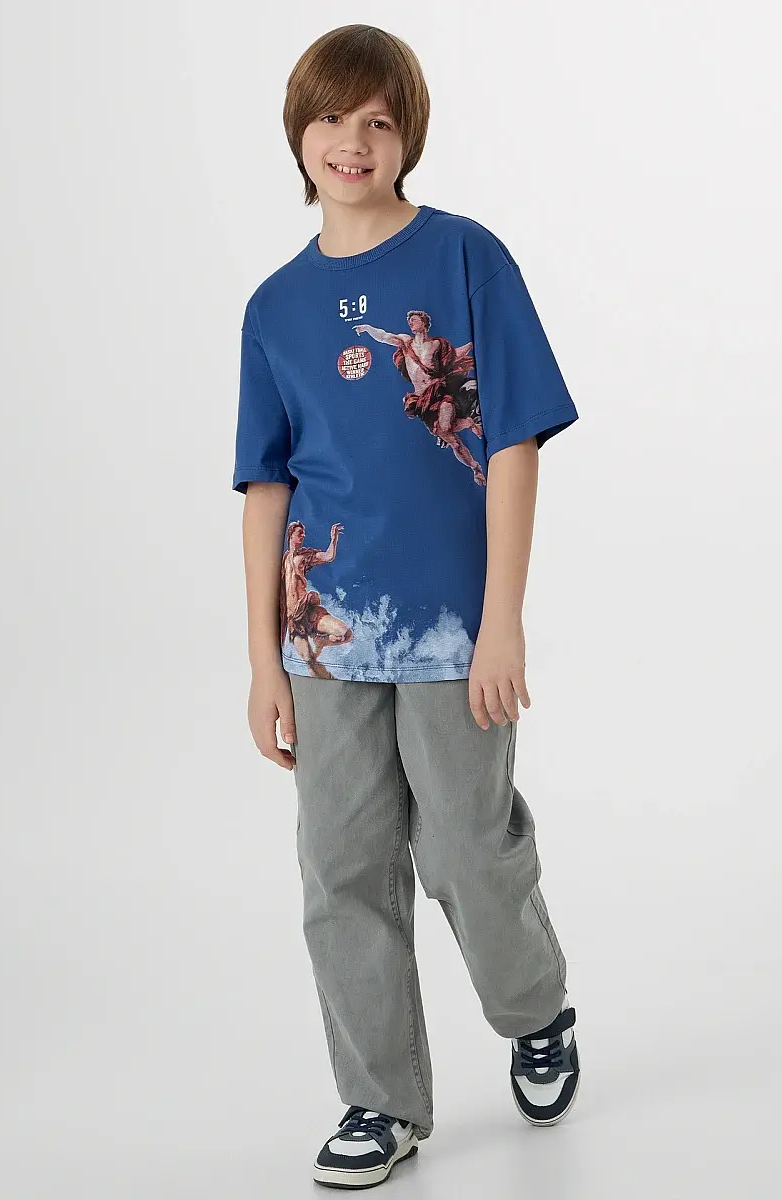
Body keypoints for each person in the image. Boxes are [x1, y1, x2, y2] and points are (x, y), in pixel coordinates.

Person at [232, 24, 581, 1190]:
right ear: (300, 134)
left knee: (469, 850)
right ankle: (380, 1102)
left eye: (379, 120)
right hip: (324, 638)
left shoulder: (466, 259)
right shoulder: (274, 308)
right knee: (341, 866)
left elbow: (514, 439)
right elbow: (267, 488)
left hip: (450, 629)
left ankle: (535, 1010)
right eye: (332, 118)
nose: (353, 140)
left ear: (407, 137)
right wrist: (263, 661)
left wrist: (502, 620)